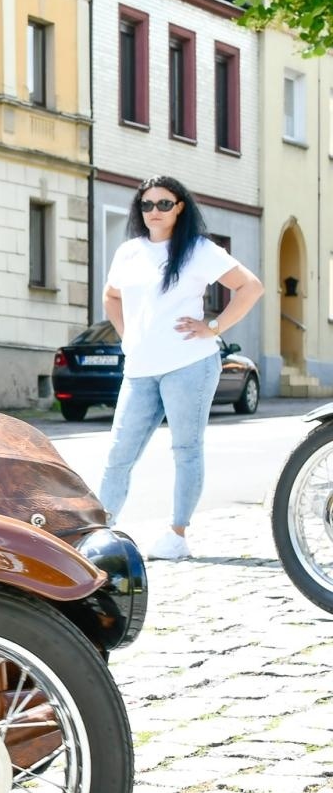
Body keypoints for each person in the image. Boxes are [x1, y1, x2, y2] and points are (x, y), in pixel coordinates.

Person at [99, 176, 264, 560]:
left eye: (163, 204)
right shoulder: (129, 252)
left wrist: (214, 327)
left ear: (179, 208)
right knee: (119, 453)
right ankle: (100, 530)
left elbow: (250, 287)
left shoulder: (198, 250)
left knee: (186, 449)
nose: (154, 211)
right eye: (147, 204)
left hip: (189, 365)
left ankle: (177, 535)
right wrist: (128, 337)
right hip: (140, 369)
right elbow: (111, 296)